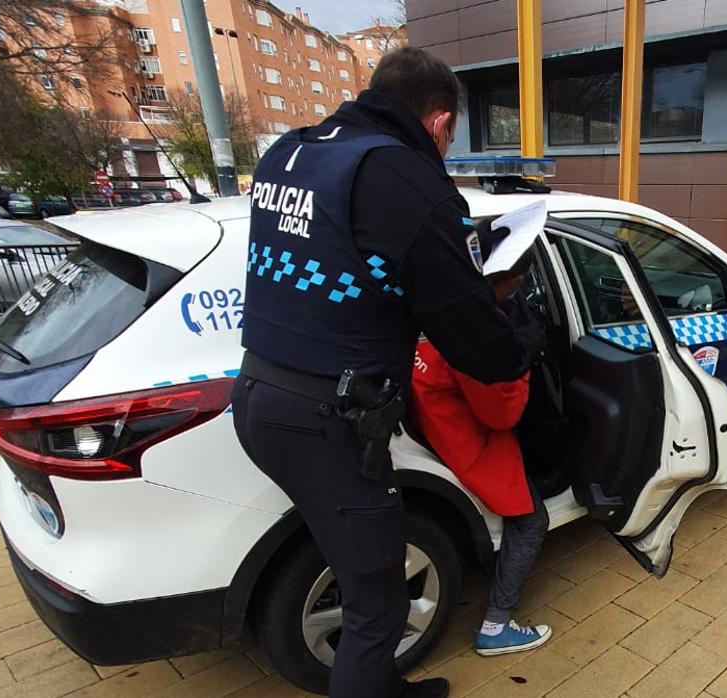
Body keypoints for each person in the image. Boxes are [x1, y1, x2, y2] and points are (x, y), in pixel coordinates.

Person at [231, 47, 542, 698]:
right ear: (438, 121)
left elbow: (341, 267)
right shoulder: (404, 178)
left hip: (259, 395)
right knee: (378, 606)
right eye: (451, 136)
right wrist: (519, 344)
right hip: (328, 420)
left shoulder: (291, 151)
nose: (446, 148)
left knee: (364, 567)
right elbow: (476, 346)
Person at [410, 241, 553, 657]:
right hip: (464, 439)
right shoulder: (475, 338)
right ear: (514, 281)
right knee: (531, 520)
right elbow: (502, 417)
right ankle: (497, 624)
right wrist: (522, 363)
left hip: (430, 420)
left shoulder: (439, 298)